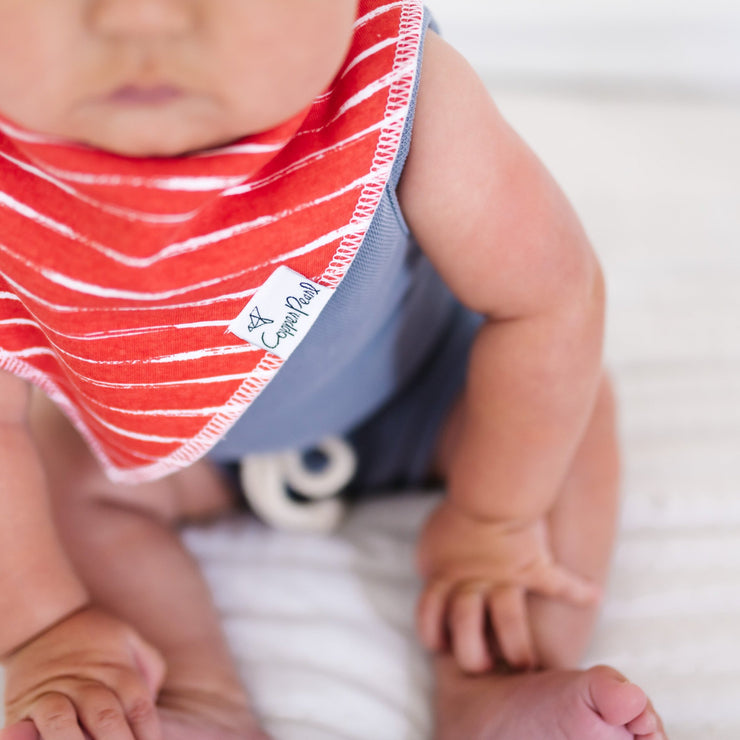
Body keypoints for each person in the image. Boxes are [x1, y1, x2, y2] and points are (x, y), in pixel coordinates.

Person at [0, 1, 666, 738]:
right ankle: (191, 700)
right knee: (61, 480)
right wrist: (44, 626)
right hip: (169, 454)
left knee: (560, 416)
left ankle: (499, 677)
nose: (141, 18)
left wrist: (493, 518)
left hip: (425, 393)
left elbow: (549, 299)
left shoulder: (392, 92)